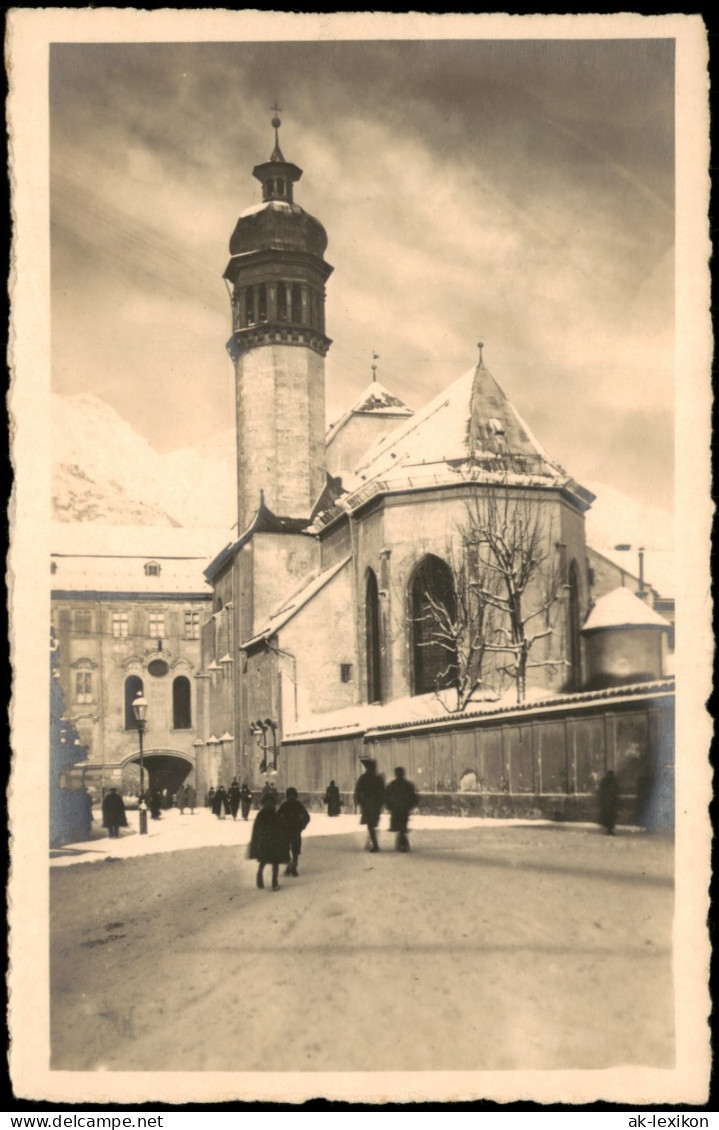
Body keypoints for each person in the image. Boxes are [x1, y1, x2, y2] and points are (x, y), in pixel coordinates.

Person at [248, 792, 289, 891]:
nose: (269, 804)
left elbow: (281, 827)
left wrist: (282, 838)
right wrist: (256, 841)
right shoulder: (261, 815)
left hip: (274, 841)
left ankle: (274, 882)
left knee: (275, 862)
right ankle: (259, 876)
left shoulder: (276, 814)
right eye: (267, 802)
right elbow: (256, 829)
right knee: (263, 861)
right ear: (264, 803)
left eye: (271, 803)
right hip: (265, 841)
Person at [278, 787, 311, 877]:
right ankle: (289, 866)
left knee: (295, 851)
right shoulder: (284, 806)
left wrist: (302, 826)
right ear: (287, 797)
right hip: (286, 832)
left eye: (293, 796)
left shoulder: (298, 806)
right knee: (285, 850)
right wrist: (281, 826)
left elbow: (307, 817)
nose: (291, 798)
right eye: (289, 796)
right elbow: (277, 817)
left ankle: (294, 867)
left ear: (296, 796)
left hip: (296, 831)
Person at [354, 758, 385, 852]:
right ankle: (372, 841)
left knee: (370, 825)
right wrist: (381, 803)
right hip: (375, 805)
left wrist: (359, 801)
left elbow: (358, 791)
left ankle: (375, 845)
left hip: (367, 804)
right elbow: (383, 792)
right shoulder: (378, 778)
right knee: (372, 824)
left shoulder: (364, 778)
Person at [384, 766, 418, 852]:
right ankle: (403, 845)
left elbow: (386, 796)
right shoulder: (408, 785)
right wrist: (410, 806)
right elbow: (414, 797)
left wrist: (389, 806)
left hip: (396, 809)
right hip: (404, 809)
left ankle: (402, 845)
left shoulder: (392, 785)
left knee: (399, 828)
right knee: (402, 827)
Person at [597, 770, 620, 835]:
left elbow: (601, 791)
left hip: (608, 802)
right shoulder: (613, 781)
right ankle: (609, 829)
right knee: (610, 816)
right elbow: (617, 791)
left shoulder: (605, 781)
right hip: (610, 802)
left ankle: (608, 828)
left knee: (608, 816)